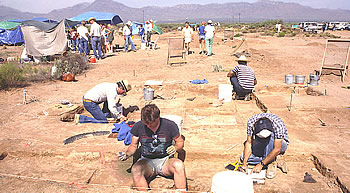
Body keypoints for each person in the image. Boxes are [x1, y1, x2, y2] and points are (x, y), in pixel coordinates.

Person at [118, 104, 187, 191]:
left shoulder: (170, 125)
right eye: (146, 124)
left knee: (179, 165)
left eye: (151, 124)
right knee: (135, 169)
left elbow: (180, 142)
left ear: (158, 117)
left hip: (165, 161)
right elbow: (133, 145)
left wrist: (175, 148)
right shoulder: (138, 126)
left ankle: (181, 190)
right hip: (147, 162)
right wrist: (127, 154)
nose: (148, 126)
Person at [239, 113, 289, 179]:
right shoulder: (251, 123)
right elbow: (249, 143)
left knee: (271, 139)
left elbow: (277, 149)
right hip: (261, 143)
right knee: (243, 157)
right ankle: (271, 158)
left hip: (278, 142)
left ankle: (271, 162)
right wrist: (244, 164)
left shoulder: (278, 125)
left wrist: (260, 165)